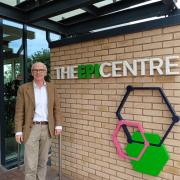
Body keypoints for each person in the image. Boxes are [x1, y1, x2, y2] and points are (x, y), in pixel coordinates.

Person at [15, 62, 63, 180]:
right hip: (31, 129)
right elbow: (19, 111)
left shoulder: (52, 88)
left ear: (45, 72)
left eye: (41, 70)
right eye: (35, 70)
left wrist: (58, 124)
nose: (38, 72)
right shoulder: (24, 89)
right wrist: (18, 131)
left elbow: (56, 108)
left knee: (43, 161)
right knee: (31, 163)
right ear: (32, 73)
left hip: (47, 128)